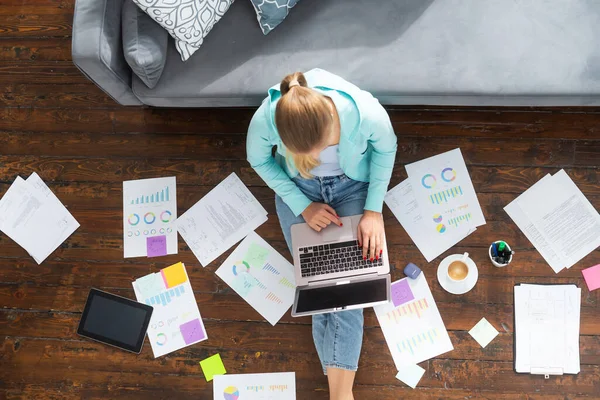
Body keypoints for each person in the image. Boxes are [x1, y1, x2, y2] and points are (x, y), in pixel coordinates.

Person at [246, 68, 397, 400]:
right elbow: (257, 160)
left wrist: (373, 210)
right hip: (299, 192)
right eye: (306, 155)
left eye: (321, 149)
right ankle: (342, 396)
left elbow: (387, 150)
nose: (315, 159)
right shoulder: (267, 119)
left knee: (348, 290)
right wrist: (302, 204)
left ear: (333, 123)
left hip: (351, 187)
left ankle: (339, 395)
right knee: (318, 284)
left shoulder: (364, 112)